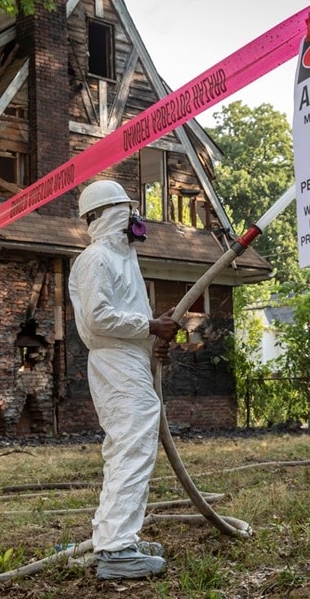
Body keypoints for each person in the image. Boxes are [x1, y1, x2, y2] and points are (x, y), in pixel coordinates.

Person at [68, 179, 181, 580]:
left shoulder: (125, 260)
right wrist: (150, 325)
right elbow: (99, 319)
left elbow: (128, 319)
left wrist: (153, 339)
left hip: (129, 359)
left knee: (129, 446)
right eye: (129, 212)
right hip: (114, 363)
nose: (137, 221)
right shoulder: (96, 259)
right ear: (112, 215)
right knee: (131, 445)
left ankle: (116, 537)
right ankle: (116, 549)